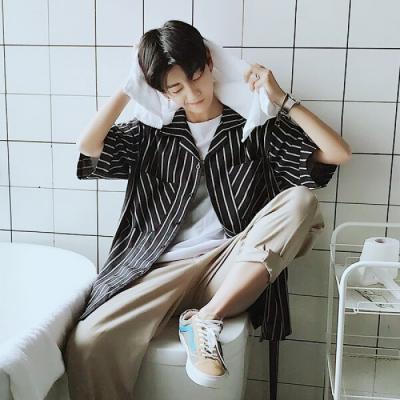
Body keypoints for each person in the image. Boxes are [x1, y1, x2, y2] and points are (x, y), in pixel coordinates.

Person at [62, 19, 351, 399]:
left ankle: (205, 320)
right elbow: (89, 148)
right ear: (159, 90)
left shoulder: (254, 125)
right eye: (175, 88)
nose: (192, 93)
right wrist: (130, 84)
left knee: (302, 200)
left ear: (210, 63)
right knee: (87, 342)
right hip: (158, 268)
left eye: (195, 77)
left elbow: (337, 153)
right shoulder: (152, 132)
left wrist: (282, 98)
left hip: (229, 268)